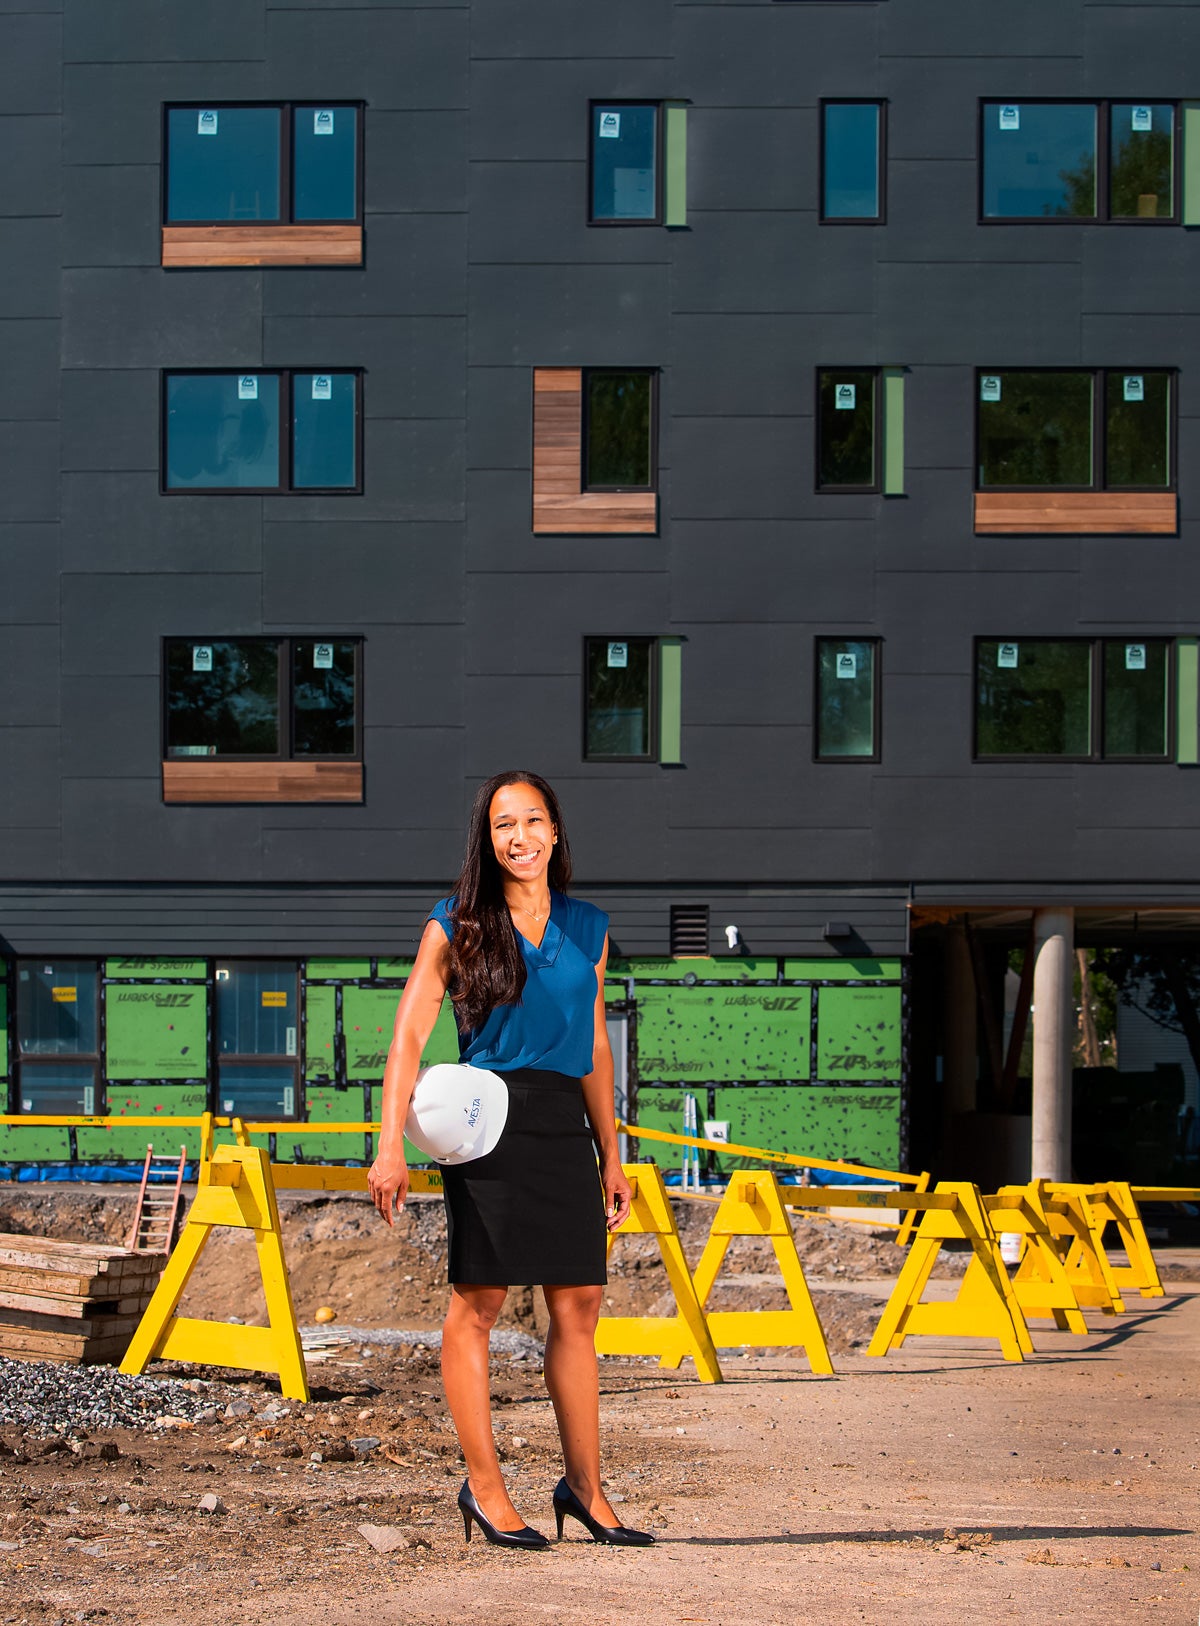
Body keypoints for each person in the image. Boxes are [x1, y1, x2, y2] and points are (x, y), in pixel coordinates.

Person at [367, 770, 655, 1551]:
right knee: (479, 1306)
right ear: (487, 840)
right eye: (504, 825)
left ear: (556, 832)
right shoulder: (456, 923)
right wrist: (388, 1143)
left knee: (579, 1306)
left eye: (533, 820)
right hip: (483, 1120)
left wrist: (612, 1157)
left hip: (563, 1121)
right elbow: (406, 1039)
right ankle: (486, 1490)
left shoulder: (589, 927)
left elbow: (594, 1046)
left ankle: (586, 1491)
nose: (520, 836)